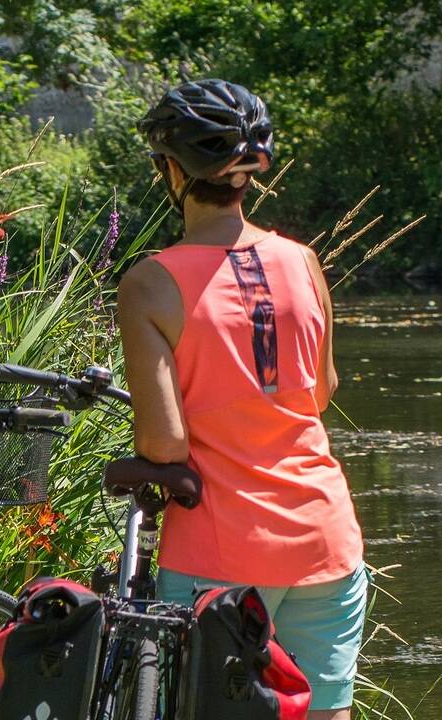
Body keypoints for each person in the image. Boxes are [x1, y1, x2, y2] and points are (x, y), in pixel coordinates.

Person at [116, 79, 367, 719]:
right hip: (322, 533)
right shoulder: (303, 261)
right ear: (248, 174)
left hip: (217, 550)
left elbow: (165, 442)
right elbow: (320, 390)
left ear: (171, 170)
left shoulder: (150, 283)